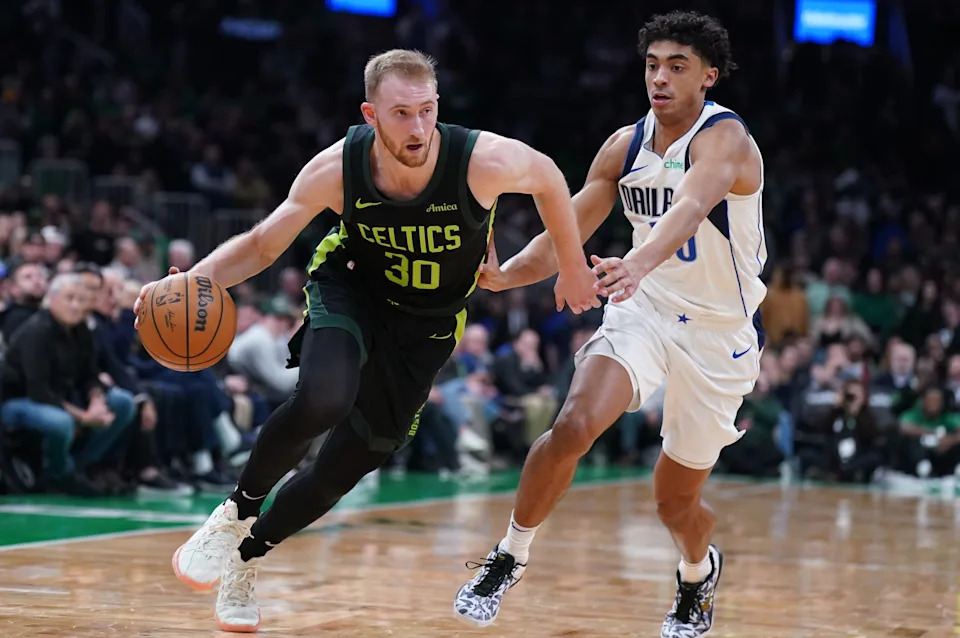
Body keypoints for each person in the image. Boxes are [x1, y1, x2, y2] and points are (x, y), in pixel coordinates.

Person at [132, 49, 599, 633]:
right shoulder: (337, 168)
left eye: (427, 110)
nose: (419, 127)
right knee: (324, 397)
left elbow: (550, 177)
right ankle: (234, 515)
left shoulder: (480, 159)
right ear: (370, 114)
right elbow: (260, 246)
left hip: (427, 320)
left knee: (349, 463)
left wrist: (572, 265)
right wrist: (189, 281)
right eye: (401, 113)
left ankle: (244, 562)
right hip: (351, 287)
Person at [453, 12, 766, 638]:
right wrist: (505, 275)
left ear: (708, 76)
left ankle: (697, 574)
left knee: (674, 504)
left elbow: (692, 207)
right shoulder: (623, 145)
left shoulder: (725, 140)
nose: (660, 78)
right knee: (572, 424)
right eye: (652, 65)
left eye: (677, 67)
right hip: (643, 311)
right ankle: (508, 556)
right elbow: (568, 227)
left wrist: (638, 262)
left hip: (717, 333)